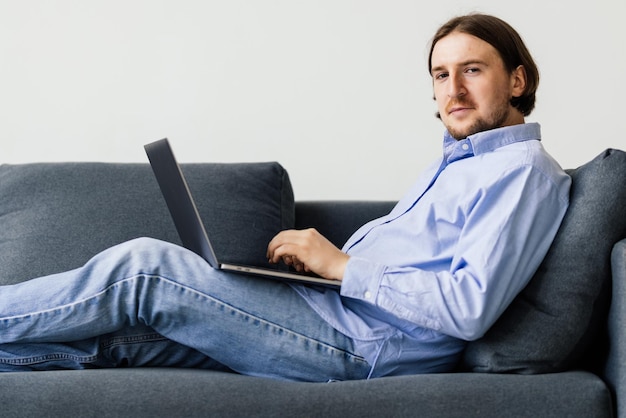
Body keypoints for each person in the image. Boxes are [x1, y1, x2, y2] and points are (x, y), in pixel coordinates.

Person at [0, 13, 570, 381]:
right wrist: (321, 273)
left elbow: (468, 308)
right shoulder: (460, 159)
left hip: (359, 347)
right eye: (442, 76)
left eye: (472, 70)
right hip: (332, 314)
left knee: (144, 269)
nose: (454, 90)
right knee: (125, 338)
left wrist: (341, 265)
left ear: (517, 81)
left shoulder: (522, 173)